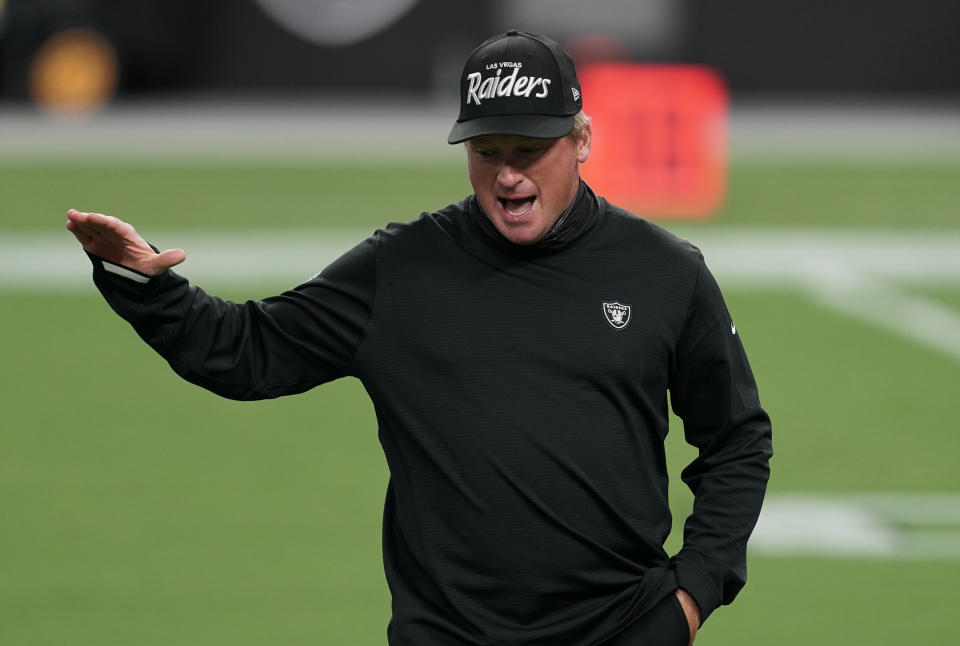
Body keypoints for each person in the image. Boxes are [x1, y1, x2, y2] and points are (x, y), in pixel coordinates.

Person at [67, 30, 771, 646]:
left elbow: (737, 439)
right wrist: (146, 286)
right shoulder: (400, 271)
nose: (507, 174)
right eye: (487, 150)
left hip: (623, 629)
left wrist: (693, 595)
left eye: (530, 149)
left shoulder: (663, 272)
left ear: (582, 139)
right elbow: (246, 351)